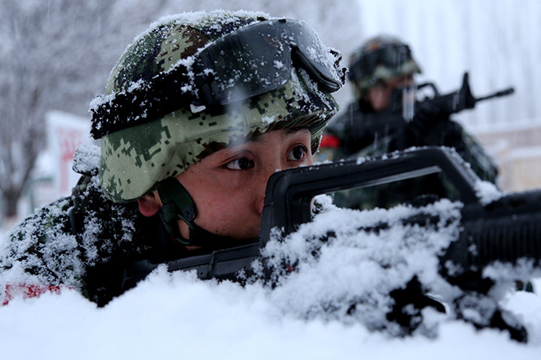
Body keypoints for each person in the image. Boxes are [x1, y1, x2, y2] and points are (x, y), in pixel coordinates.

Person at [0, 10, 346, 306]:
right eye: (241, 162)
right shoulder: (46, 269)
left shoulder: (329, 238)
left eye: (297, 152)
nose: (276, 193)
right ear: (151, 187)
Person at [321, 35, 500, 209]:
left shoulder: (433, 123)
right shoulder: (338, 134)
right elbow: (326, 196)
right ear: (365, 93)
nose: (404, 93)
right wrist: (391, 150)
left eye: (408, 82)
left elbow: (487, 191)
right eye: (387, 87)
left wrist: (455, 147)